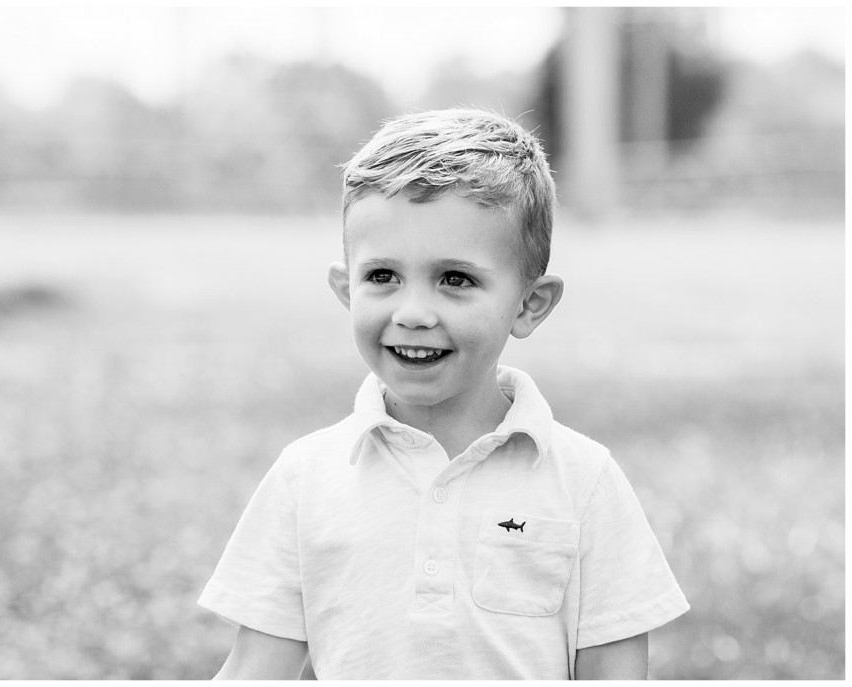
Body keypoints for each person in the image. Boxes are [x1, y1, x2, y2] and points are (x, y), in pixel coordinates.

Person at [197, 108, 689, 679]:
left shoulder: (583, 482)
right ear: (345, 288)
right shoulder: (305, 479)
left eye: (455, 279)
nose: (412, 312)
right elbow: (256, 672)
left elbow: (616, 671)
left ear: (530, 305)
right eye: (382, 276)